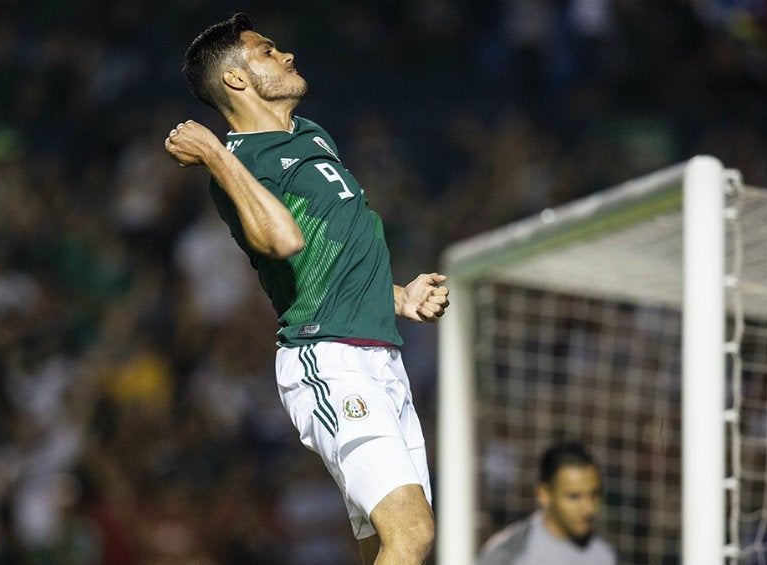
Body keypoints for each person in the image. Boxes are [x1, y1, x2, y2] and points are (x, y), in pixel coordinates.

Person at [163, 12, 449, 565]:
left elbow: (331, 257)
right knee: (411, 534)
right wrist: (216, 154)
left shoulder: (312, 136)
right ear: (236, 80)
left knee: (387, 547)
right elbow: (285, 241)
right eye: (268, 51)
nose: (287, 56)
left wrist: (399, 297)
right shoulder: (240, 162)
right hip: (329, 358)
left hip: (380, 357)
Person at [474, 441, 616, 565]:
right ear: (544, 494)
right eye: (574, 497)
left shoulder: (604, 556)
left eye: (594, 495)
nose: (588, 508)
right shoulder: (508, 553)